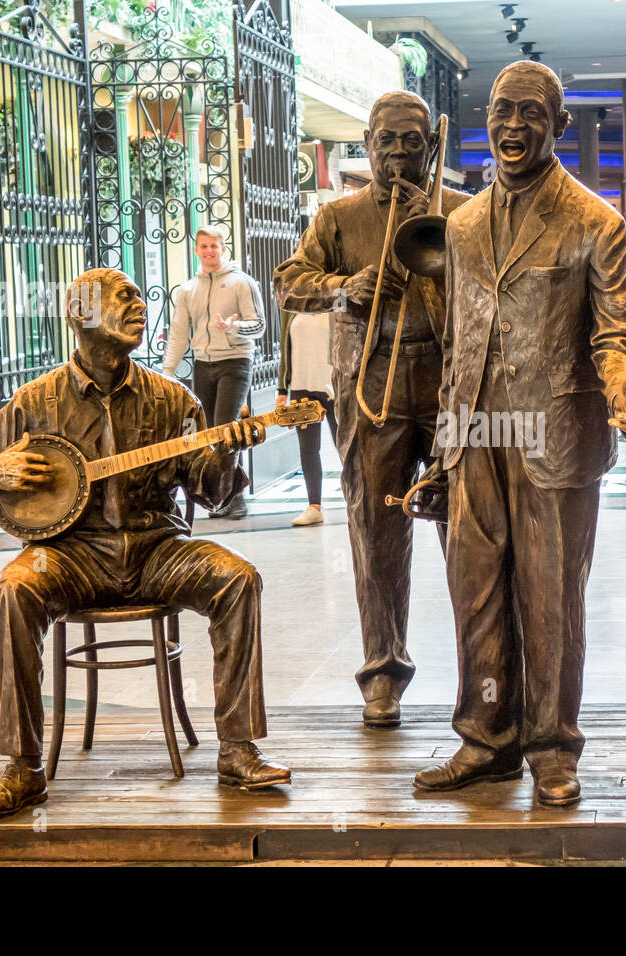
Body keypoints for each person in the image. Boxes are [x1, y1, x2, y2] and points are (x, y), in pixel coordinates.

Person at [0, 267, 290, 817]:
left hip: (157, 549)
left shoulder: (172, 399)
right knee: (12, 590)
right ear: (81, 313)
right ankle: (24, 767)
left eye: (138, 298)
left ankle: (238, 749)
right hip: (72, 554)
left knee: (239, 578)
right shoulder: (35, 401)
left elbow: (211, 495)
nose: (140, 306)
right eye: (123, 298)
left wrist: (228, 451)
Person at [413, 61, 626, 808]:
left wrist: (620, 387)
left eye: (530, 113)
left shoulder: (595, 222)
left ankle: (552, 746)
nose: (513, 126)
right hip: (475, 434)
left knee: (550, 600)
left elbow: (616, 331)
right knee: (475, 593)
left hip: (554, 435)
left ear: (555, 123)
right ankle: (485, 740)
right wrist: (443, 450)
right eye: (501, 111)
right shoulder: (459, 224)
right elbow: (458, 342)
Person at [273, 91, 469, 728]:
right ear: (367, 141)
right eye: (386, 140)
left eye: (413, 141)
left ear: (430, 146)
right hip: (371, 387)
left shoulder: (464, 213)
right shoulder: (340, 217)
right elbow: (287, 282)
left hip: (447, 389)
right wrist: (342, 289)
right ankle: (382, 672)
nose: (398, 153)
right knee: (375, 532)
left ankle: (485, 674)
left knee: (469, 533)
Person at [162, 225, 266, 520]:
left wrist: (234, 326)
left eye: (214, 246)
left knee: (227, 430)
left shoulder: (241, 283)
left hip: (235, 361)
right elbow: (179, 333)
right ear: (196, 250)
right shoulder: (187, 290)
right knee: (210, 433)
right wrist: (168, 372)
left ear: (223, 249)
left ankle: (237, 498)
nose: (209, 251)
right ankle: (220, 496)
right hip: (203, 364)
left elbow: (259, 325)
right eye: (204, 246)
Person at [276, 309, 338, 526]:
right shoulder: (291, 308)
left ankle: (358, 500)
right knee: (308, 449)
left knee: (346, 447)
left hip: (334, 386)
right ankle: (314, 506)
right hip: (301, 387)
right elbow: (285, 347)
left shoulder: (334, 305)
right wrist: (282, 389)